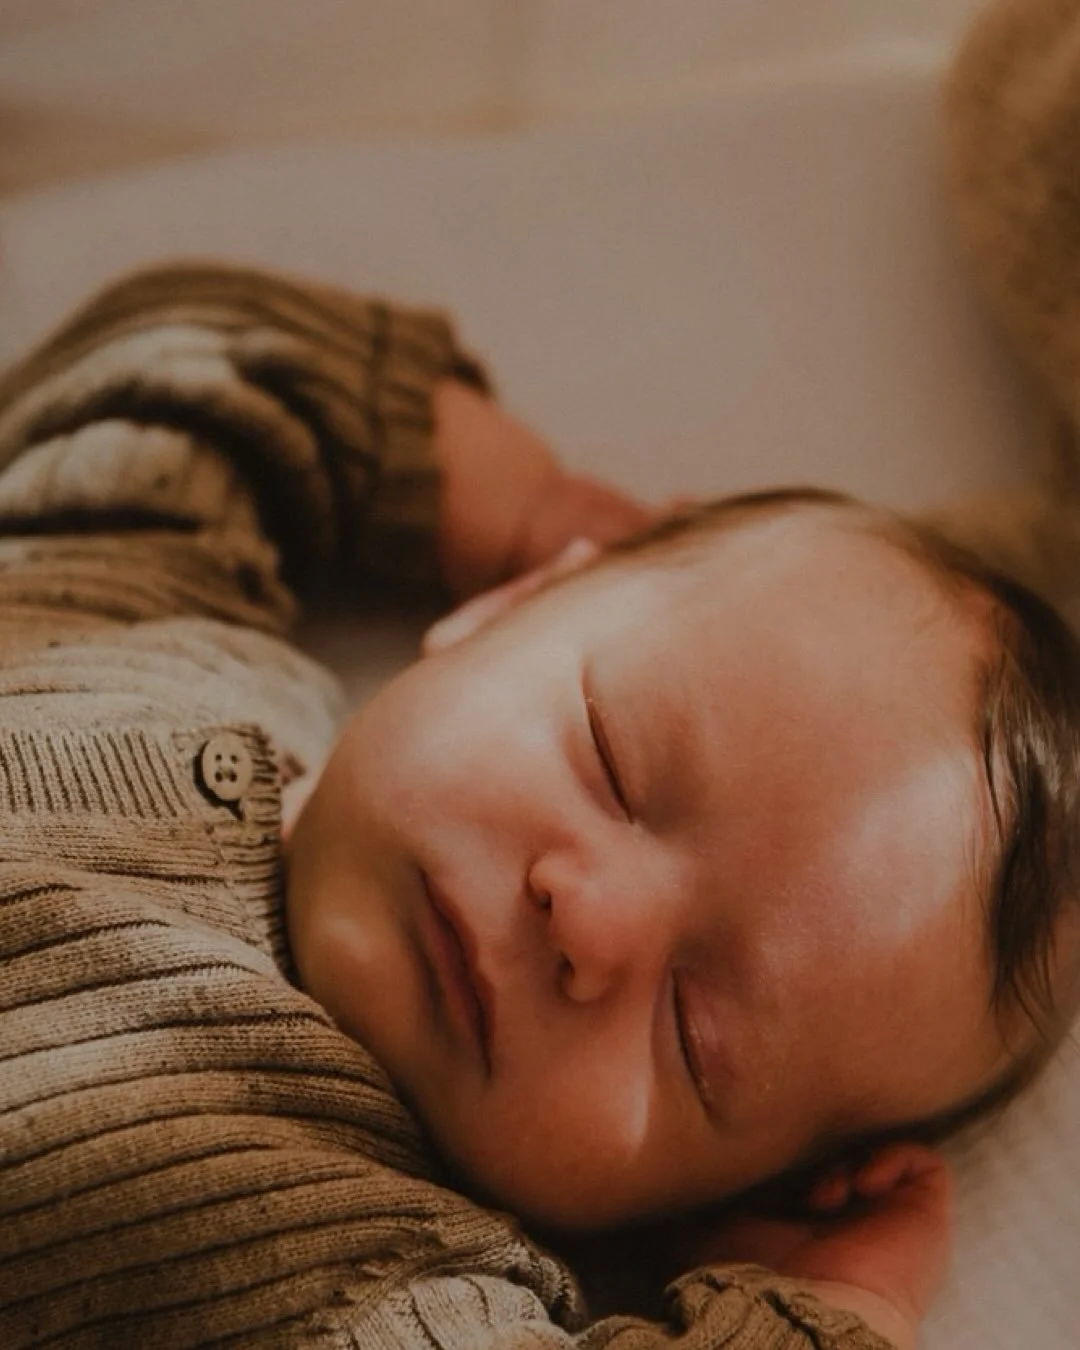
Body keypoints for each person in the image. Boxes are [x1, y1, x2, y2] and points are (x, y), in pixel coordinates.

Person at [0, 228, 1076, 1350]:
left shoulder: (393, 1282)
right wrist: (519, 499)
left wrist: (838, 1307)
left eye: (693, 1035)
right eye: (613, 758)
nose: (590, 920)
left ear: (705, 1207)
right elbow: (189, 367)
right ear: (507, 609)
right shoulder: (142, 610)